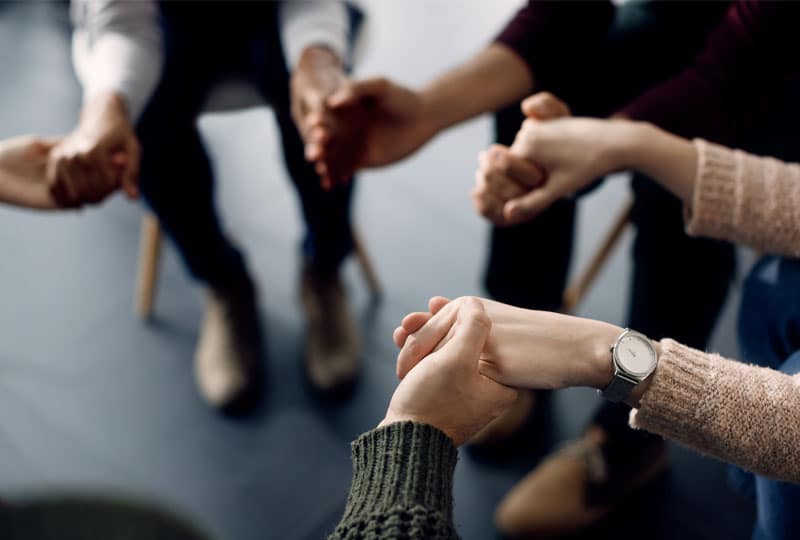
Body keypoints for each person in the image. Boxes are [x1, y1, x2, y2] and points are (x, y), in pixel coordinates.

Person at [311, 0, 800, 533]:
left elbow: (746, 55)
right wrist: (430, 110)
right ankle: (519, 353)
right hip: (691, 22)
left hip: (777, 59)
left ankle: (629, 442)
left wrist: (616, 146)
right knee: (534, 103)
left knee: (680, 195)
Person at [57, 0, 366, 412]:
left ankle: (324, 271)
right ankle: (223, 282)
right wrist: (106, 107)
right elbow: (124, 22)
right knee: (144, 117)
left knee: (326, 111)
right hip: (162, 19)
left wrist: (317, 57)